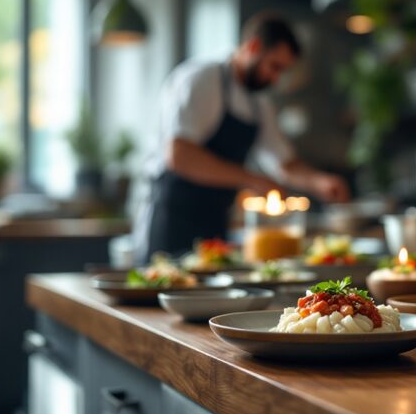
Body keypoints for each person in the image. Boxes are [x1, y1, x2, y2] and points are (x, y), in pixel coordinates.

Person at [137, 13, 350, 261]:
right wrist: (253, 180)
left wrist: (319, 182)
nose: (275, 78)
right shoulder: (201, 80)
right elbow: (180, 156)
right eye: (274, 67)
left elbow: (284, 162)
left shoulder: (259, 103)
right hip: (173, 217)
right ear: (253, 47)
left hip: (215, 220)